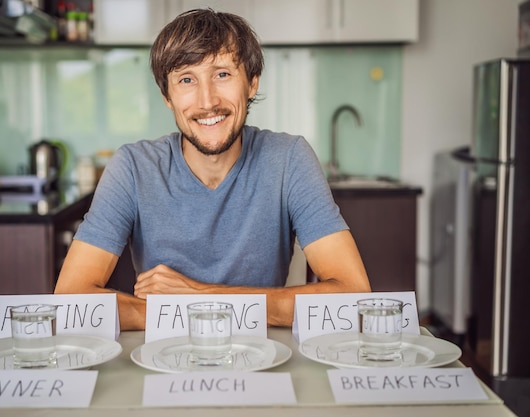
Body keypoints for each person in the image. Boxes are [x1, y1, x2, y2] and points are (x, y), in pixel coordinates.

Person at [54, 8, 371, 330]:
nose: (207, 101)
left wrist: (199, 296)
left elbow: (354, 294)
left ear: (251, 83)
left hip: (266, 354)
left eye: (222, 74)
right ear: (167, 96)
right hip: (161, 357)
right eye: (187, 79)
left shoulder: (289, 158)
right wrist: (209, 307)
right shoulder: (133, 167)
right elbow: (71, 298)